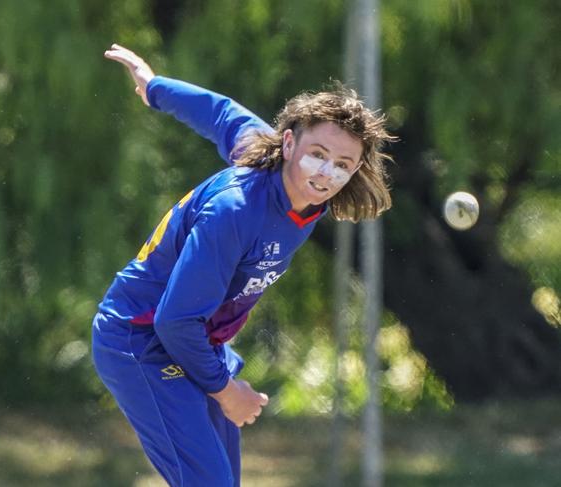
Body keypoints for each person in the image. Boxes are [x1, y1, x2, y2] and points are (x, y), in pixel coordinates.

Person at [92, 44, 394, 487]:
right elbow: (174, 320)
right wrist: (226, 391)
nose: (327, 172)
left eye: (343, 165)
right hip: (140, 340)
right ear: (289, 142)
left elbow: (222, 114)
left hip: (192, 341)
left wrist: (157, 88)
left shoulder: (300, 188)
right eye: (318, 153)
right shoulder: (234, 210)